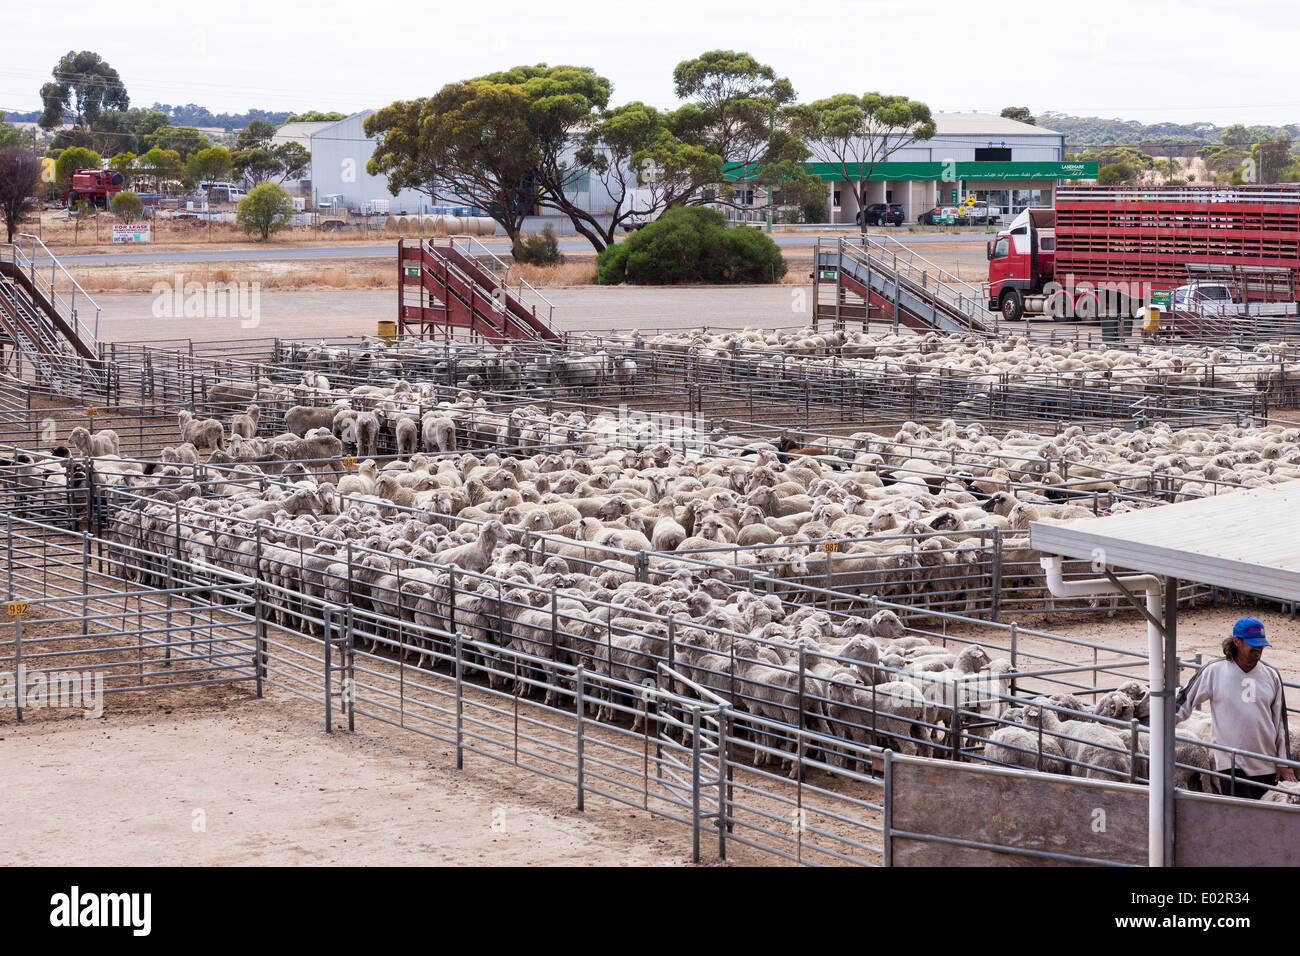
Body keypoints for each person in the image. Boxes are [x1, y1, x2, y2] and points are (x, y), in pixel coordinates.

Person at [1175, 617, 1294, 799]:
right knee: (1241, 817)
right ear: (1237, 641)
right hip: (1231, 762)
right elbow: (1183, 702)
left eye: (1261, 644)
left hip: (1266, 762)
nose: (1259, 648)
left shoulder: (1271, 675)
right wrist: (1159, 725)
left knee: (1266, 820)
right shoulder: (1214, 671)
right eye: (1253, 644)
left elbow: (1280, 721)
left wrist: (1283, 762)